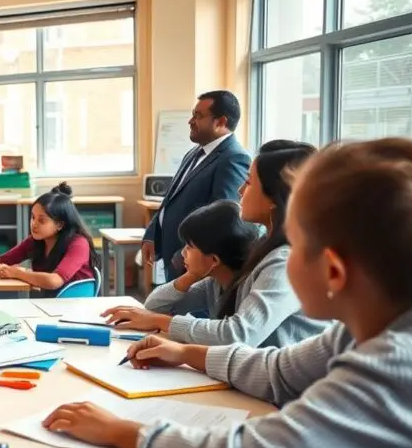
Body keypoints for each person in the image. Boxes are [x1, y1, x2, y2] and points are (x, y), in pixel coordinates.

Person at [43, 138, 412, 448]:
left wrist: (120, 431)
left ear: (333, 272)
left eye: (294, 243)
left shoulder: (395, 364)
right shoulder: (367, 331)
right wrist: (185, 353)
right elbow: (278, 370)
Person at [106, 143, 327, 348]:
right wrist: (191, 276)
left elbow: (238, 335)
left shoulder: (283, 262)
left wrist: (160, 322)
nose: (240, 190)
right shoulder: (259, 250)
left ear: (273, 198)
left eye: (248, 182)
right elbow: (153, 306)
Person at [143, 90, 251, 281]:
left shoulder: (233, 158)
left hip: (193, 263)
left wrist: (183, 256)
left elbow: (220, 219)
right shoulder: (194, 153)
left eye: (198, 116)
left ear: (221, 122)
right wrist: (152, 234)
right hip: (174, 256)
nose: (191, 121)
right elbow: (170, 198)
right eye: (193, 115)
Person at [0, 182, 99, 297]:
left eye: (42, 220)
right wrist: (3, 271)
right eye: (33, 217)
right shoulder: (35, 241)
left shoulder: (79, 243)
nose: (34, 224)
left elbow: (54, 281)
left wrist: (16, 273)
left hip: (77, 305)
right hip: (51, 304)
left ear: (59, 224)